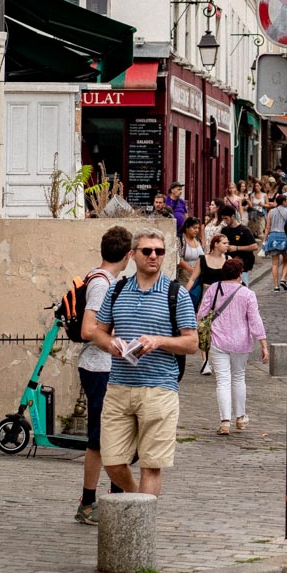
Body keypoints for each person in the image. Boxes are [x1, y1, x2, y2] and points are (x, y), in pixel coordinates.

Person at [91, 230, 198, 496]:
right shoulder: (116, 290)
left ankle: (141, 525)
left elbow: (192, 343)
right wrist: (111, 344)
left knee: (151, 465)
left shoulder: (177, 294)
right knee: (112, 461)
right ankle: (139, 499)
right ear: (133, 254)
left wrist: (159, 341)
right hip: (118, 387)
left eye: (159, 252)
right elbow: (98, 332)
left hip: (159, 389)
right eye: (147, 251)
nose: (153, 256)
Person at [73, 224, 132, 525]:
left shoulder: (107, 280)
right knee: (98, 438)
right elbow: (87, 330)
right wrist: (118, 346)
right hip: (99, 367)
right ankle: (88, 502)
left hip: (106, 367)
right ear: (128, 255)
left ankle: (114, 496)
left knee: (114, 435)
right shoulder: (102, 284)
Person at [197, 258, 267, 436]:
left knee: (222, 380)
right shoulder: (247, 293)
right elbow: (255, 320)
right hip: (241, 342)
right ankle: (241, 417)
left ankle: (225, 421)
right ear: (239, 273)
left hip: (218, 340)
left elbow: (201, 314)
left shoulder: (215, 288)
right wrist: (263, 343)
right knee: (238, 378)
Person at [264, 195, 287, 292]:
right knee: (286, 260)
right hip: (284, 236)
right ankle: (283, 278)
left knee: (274, 264)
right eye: (286, 201)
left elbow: (267, 227)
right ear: (283, 202)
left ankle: (276, 286)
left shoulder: (271, 212)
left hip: (273, 237)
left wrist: (264, 240)